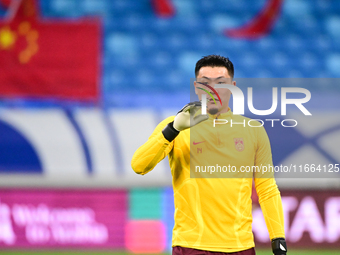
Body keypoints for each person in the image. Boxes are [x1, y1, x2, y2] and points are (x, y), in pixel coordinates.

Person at [131, 55, 287, 255]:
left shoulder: (253, 130)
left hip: (241, 247)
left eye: (221, 82)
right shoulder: (176, 125)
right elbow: (139, 166)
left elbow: (267, 189)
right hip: (190, 246)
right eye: (205, 83)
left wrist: (278, 238)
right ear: (196, 87)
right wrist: (173, 130)